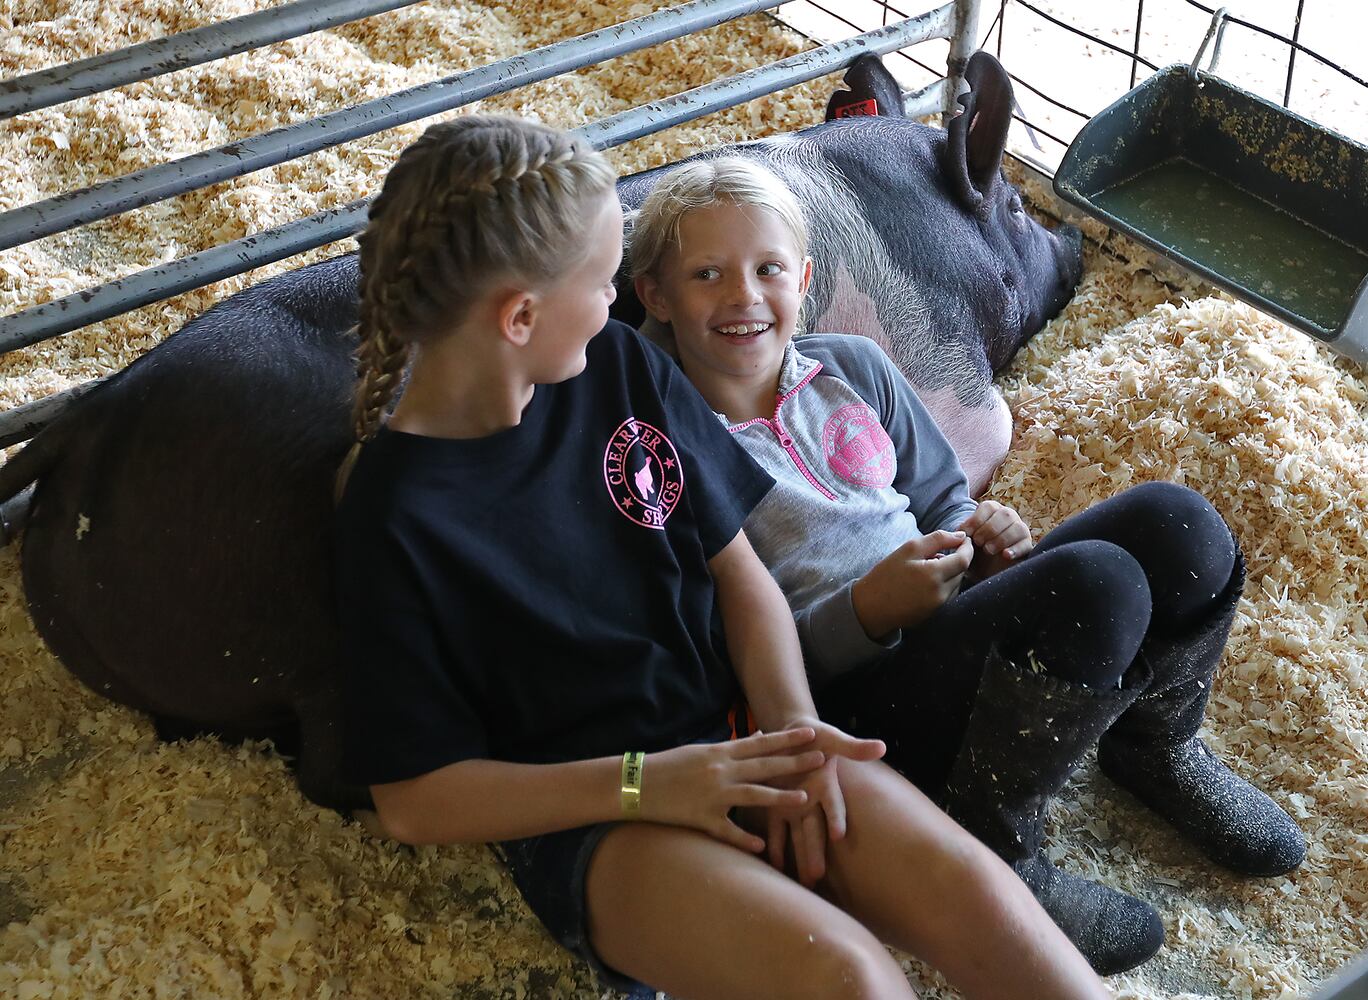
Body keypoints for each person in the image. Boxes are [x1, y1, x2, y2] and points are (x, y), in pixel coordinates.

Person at [331, 116, 1112, 1000]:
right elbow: (414, 800)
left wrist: (793, 735)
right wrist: (647, 784)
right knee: (847, 976)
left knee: (978, 896)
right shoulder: (396, 514)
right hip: (598, 817)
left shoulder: (619, 367)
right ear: (520, 317)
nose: (617, 302)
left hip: (740, 733)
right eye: (601, 284)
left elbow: (738, 573)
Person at [628, 154, 1307, 977]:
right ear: (655, 295)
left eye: (768, 268)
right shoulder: (658, 452)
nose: (744, 296)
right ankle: (998, 840)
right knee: (1098, 583)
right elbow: (729, 666)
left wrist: (981, 537)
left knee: (1180, 523)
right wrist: (872, 610)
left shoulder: (852, 367)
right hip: (844, 704)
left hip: (943, 619)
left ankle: (1155, 749)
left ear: (803, 276)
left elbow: (942, 496)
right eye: (708, 274)